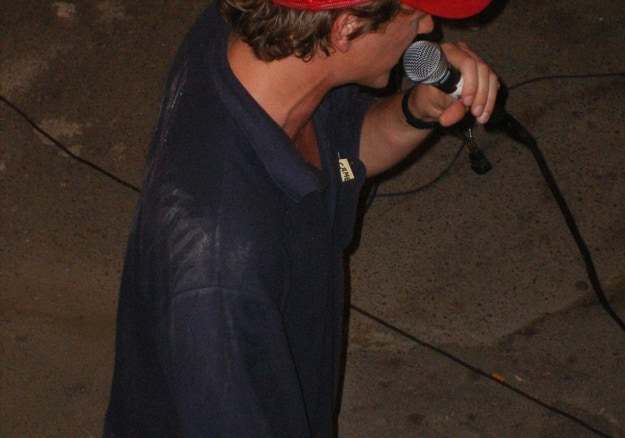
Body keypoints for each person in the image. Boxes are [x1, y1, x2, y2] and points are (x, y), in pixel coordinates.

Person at [103, 0, 498, 435]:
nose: (428, 27)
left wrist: (417, 111)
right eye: (414, 13)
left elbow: (342, 149)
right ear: (345, 28)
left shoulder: (265, 49)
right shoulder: (220, 268)